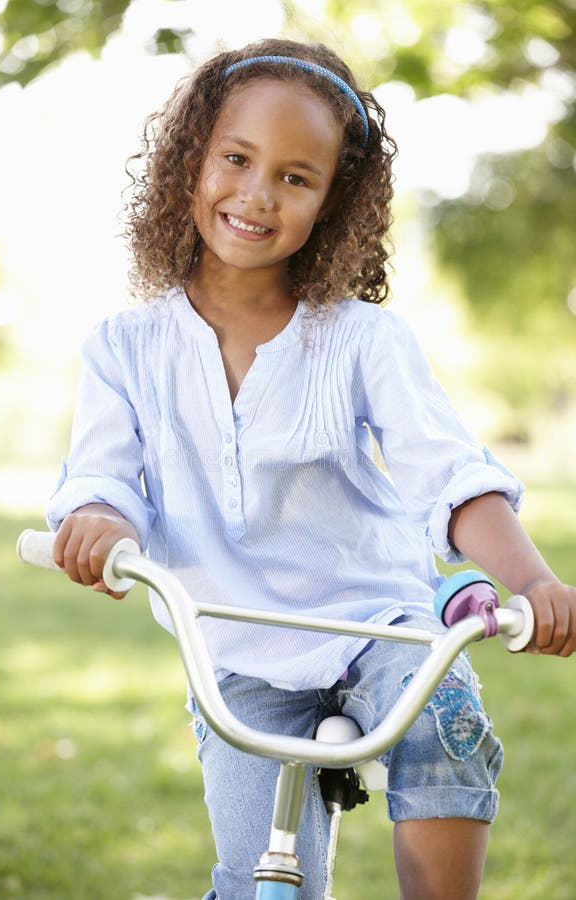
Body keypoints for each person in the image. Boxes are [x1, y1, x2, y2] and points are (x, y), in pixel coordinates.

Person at [47, 38, 575, 900]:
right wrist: (100, 519)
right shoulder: (125, 348)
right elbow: (102, 475)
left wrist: (534, 582)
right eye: (236, 159)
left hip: (383, 626)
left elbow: (449, 476)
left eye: (296, 178)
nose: (257, 194)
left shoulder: (362, 340)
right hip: (237, 649)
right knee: (261, 876)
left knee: (447, 726)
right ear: (190, 163)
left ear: (333, 204)